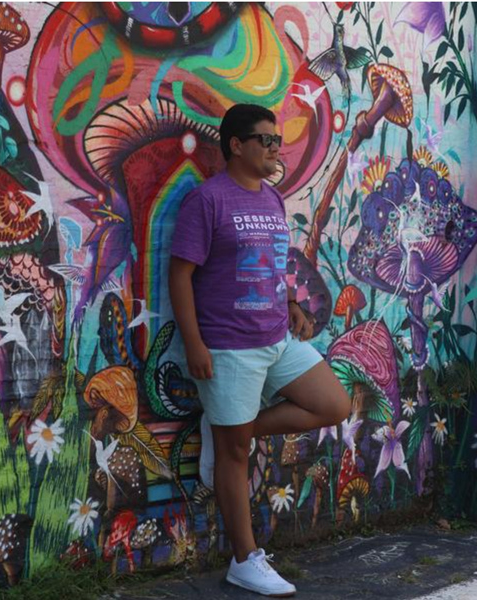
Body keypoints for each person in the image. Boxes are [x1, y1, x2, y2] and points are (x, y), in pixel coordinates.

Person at [168, 103, 351, 597]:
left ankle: (230, 427)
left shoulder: (271, 199)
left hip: (275, 340)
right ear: (236, 145)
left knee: (334, 403)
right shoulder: (208, 201)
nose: (276, 148)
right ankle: (244, 560)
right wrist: (194, 344)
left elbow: (272, 261)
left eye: (277, 140)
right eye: (266, 140)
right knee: (235, 455)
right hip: (228, 347)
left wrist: (290, 299)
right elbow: (180, 276)